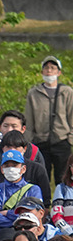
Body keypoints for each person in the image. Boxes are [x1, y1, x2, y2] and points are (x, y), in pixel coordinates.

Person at [26, 56, 73, 188]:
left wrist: (70, 138)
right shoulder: (34, 93)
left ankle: (63, 204)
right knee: (41, 176)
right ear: (42, 72)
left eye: (53, 68)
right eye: (46, 68)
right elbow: (29, 119)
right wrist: (29, 141)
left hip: (62, 140)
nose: (49, 71)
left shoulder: (67, 92)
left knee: (63, 176)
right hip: (40, 141)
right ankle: (43, 205)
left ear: (59, 72)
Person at [0, 149, 43, 230]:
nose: (11, 169)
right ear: (2, 169)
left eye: (14, 165)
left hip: (27, 231)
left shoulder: (33, 189)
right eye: (7, 166)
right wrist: (19, 222)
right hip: (2, 233)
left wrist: (7, 213)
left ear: (23, 169)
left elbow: (33, 215)